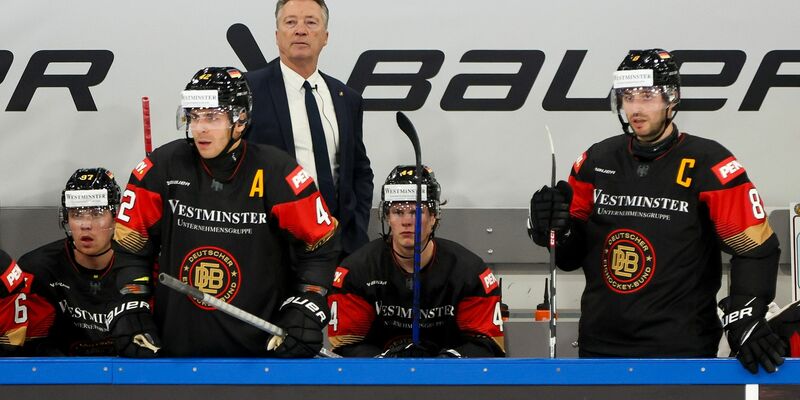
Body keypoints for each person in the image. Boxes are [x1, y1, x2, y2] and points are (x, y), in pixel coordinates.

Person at [527, 49, 785, 373]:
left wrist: (746, 313)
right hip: (600, 347)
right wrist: (552, 227)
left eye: (647, 96)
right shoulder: (596, 160)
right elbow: (568, 257)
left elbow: (757, 247)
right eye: (627, 96)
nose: (635, 107)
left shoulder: (710, 163)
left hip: (682, 351)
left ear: (671, 99)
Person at [113, 66, 339, 357]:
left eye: (213, 117)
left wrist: (307, 303)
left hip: (261, 352)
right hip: (176, 347)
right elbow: (131, 246)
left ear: (241, 120)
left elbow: (320, 245)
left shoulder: (277, 171)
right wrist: (134, 304)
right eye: (194, 116)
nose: (201, 128)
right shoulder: (162, 167)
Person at [328, 165, 505, 357]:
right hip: (381, 383)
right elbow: (344, 349)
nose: (406, 221)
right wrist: (390, 361)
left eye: (416, 212)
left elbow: (488, 346)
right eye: (398, 211)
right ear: (386, 217)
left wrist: (442, 363)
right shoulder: (357, 271)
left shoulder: (469, 272)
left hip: (448, 382)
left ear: (434, 217)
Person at [245, 0, 373, 258]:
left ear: (325, 37)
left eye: (311, 22)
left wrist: (354, 228)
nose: (300, 30)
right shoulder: (249, 90)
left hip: (337, 245)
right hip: (270, 246)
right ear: (277, 35)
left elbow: (359, 169)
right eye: (290, 22)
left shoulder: (347, 98)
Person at [0, 168, 159, 357]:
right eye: (77, 213)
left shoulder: (144, 265)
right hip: (61, 379)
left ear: (116, 216)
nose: (85, 224)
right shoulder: (38, 268)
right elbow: (23, 346)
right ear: (65, 218)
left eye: (97, 212)